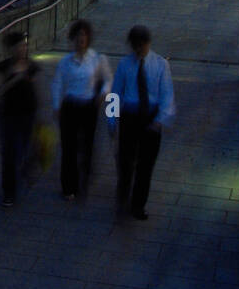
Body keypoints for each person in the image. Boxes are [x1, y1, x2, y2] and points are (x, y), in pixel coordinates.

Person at [108, 25, 176, 220]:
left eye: (141, 46)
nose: (138, 51)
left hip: (150, 117)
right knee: (126, 162)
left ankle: (138, 204)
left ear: (147, 44)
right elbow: (116, 93)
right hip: (130, 116)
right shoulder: (125, 64)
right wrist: (111, 120)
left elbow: (166, 94)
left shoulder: (160, 64)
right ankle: (122, 199)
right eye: (135, 46)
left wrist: (160, 119)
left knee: (145, 166)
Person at [51, 20, 112, 200]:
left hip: (88, 107)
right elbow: (57, 83)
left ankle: (84, 178)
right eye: (78, 36)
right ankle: (69, 187)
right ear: (73, 39)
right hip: (70, 106)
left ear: (88, 38)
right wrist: (56, 106)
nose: (81, 39)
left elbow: (108, 79)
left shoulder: (97, 59)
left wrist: (103, 93)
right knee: (69, 147)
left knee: (87, 146)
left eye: (84, 36)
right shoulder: (65, 62)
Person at [0, 29, 39, 205]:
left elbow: (35, 89)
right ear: (12, 48)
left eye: (25, 46)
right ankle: (9, 192)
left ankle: (26, 167)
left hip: (28, 114)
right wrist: (15, 79)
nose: (23, 49)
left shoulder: (31, 66)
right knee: (9, 154)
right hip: (9, 115)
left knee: (28, 149)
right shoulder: (4, 67)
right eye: (20, 46)